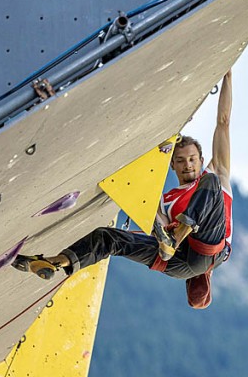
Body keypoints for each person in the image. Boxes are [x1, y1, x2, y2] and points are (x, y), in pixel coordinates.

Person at [14, 70, 234, 308]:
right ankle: (54, 262)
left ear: (201, 160)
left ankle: (176, 237)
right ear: (172, 165)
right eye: (180, 160)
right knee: (109, 237)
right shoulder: (165, 202)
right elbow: (155, 234)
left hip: (209, 248)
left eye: (192, 159)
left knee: (210, 183)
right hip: (179, 263)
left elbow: (223, 122)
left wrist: (228, 77)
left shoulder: (215, 175)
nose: (188, 165)